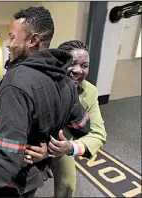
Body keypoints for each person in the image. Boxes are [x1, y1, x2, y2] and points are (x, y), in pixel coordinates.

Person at [0, 7, 91, 197]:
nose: (8, 45)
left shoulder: (15, 83)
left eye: (12, 37)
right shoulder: (66, 80)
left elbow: (7, 157)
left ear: (33, 40)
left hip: (10, 184)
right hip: (35, 177)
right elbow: (82, 125)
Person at [24, 40, 107, 197]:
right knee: (23, 184)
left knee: (68, 185)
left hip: (61, 146)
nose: (78, 70)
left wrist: (71, 147)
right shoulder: (40, 83)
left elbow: (99, 134)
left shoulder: (90, 92)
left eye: (84, 66)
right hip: (33, 143)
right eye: (72, 63)